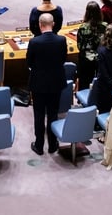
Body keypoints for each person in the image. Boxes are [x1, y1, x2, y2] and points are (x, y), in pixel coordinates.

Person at [26, 13, 68, 156]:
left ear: (39, 25)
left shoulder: (34, 42)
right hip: (56, 82)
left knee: (38, 114)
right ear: (54, 24)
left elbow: (29, 63)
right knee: (53, 113)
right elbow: (63, 59)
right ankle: (52, 144)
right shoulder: (61, 40)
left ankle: (39, 145)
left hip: (38, 83)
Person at [75, 1, 107, 91]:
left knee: (85, 81)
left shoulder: (83, 27)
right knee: (99, 80)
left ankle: (83, 99)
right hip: (101, 58)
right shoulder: (105, 26)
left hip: (86, 60)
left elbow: (80, 46)